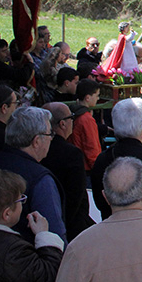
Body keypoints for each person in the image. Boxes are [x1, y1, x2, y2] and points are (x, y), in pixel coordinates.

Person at [0, 106, 66, 243]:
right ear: (36, 141)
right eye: (50, 134)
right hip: (25, 258)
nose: (51, 139)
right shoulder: (40, 180)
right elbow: (55, 235)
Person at [41, 102, 93, 241]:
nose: (73, 121)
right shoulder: (71, 154)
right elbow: (76, 193)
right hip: (70, 223)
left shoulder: (39, 148)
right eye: (71, 117)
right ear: (63, 124)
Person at [67, 79, 102, 171]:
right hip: (86, 168)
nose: (98, 99)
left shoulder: (73, 113)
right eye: (97, 95)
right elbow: (91, 147)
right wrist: (97, 168)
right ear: (87, 98)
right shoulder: (86, 119)